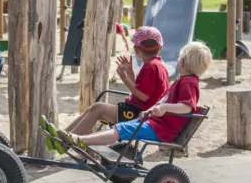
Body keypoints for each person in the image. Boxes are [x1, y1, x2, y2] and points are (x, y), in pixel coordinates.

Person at [43, 41, 212, 152]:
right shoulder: (182, 80)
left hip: (161, 129)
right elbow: (155, 97)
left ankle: (77, 140)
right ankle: (64, 137)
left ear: (182, 62)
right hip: (154, 122)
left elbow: (187, 107)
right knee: (110, 120)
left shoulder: (188, 82)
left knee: (119, 129)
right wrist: (152, 110)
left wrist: (163, 107)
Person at [59, 26, 169, 137]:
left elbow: (143, 96)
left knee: (98, 108)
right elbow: (140, 89)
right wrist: (130, 72)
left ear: (136, 50)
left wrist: (125, 79)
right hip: (139, 111)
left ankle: (68, 139)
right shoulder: (157, 65)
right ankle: (62, 135)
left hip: (140, 114)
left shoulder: (150, 67)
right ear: (160, 47)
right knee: (94, 109)